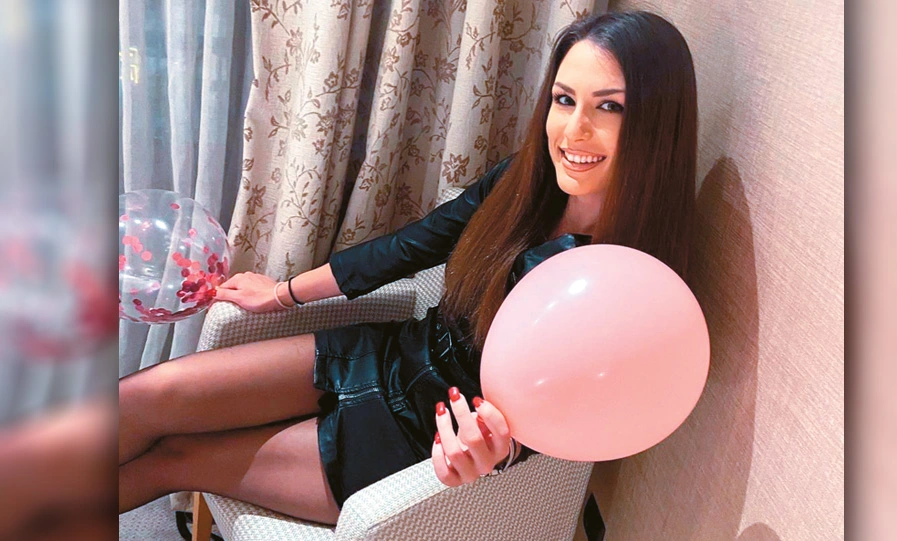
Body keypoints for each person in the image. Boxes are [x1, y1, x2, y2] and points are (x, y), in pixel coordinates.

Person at [119, 10, 697, 526]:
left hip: (413, 440)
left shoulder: (625, 288)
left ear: (657, 125)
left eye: (610, 107)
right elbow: (413, 246)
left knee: (173, 458)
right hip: (391, 355)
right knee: (143, 397)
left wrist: (501, 453)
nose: (573, 131)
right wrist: (283, 294)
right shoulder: (526, 182)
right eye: (564, 100)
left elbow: (570, 416)